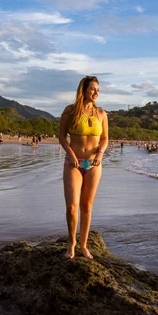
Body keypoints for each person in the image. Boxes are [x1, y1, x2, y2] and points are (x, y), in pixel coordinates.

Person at [59, 76, 109, 260]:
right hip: (74, 163)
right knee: (72, 206)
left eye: (98, 90)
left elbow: (105, 139)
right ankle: (71, 244)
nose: (96, 93)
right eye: (92, 89)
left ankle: (84, 245)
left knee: (86, 206)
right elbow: (62, 137)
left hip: (94, 164)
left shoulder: (102, 114)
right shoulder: (70, 111)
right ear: (84, 90)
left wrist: (100, 153)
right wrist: (71, 154)